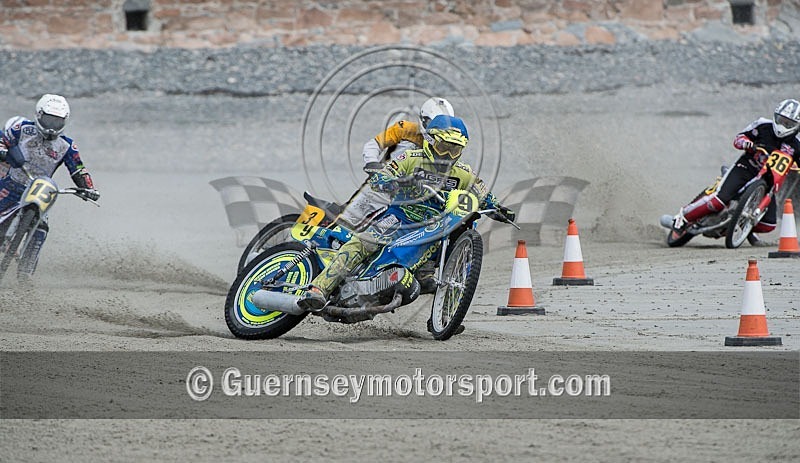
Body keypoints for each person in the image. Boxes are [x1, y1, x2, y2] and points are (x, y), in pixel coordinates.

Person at [299, 115, 515, 311]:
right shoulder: (410, 158)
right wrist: (392, 182)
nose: (448, 155)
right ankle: (318, 289)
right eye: (443, 147)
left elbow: (483, 193)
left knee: (456, 255)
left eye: (454, 150)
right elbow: (381, 176)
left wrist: (498, 209)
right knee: (364, 242)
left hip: (435, 227)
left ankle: (448, 312)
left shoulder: (464, 173)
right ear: (430, 141)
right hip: (398, 216)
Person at [671, 99, 800, 242]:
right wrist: (747, 143)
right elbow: (739, 138)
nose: (782, 126)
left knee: (768, 225)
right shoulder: (763, 125)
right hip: (746, 168)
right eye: (781, 120)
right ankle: (682, 217)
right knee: (718, 201)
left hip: (769, 182)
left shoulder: (797, 146)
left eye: (788, 124)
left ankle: (738, 226)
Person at [0, 94, 99, 275]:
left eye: (57, 122)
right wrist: (5, 154)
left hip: (40, 191)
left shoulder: (67, 145)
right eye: (48, 120)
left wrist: (89, 188)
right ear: (38, 115)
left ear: (65, 122)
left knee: (41, 229)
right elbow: (2, 140)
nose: (51, 127)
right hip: (11, 185)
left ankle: (26, 274)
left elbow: (78, 169)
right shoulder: (21, 128)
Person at [362, 97, 455, 174]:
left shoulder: (452, 142)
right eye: (432, 123)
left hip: (420, 185)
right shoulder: (404, 129)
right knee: (361, 196)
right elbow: (374, 144)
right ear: (423, 119)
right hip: (387, 177)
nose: (436, 129)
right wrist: (372, 162)